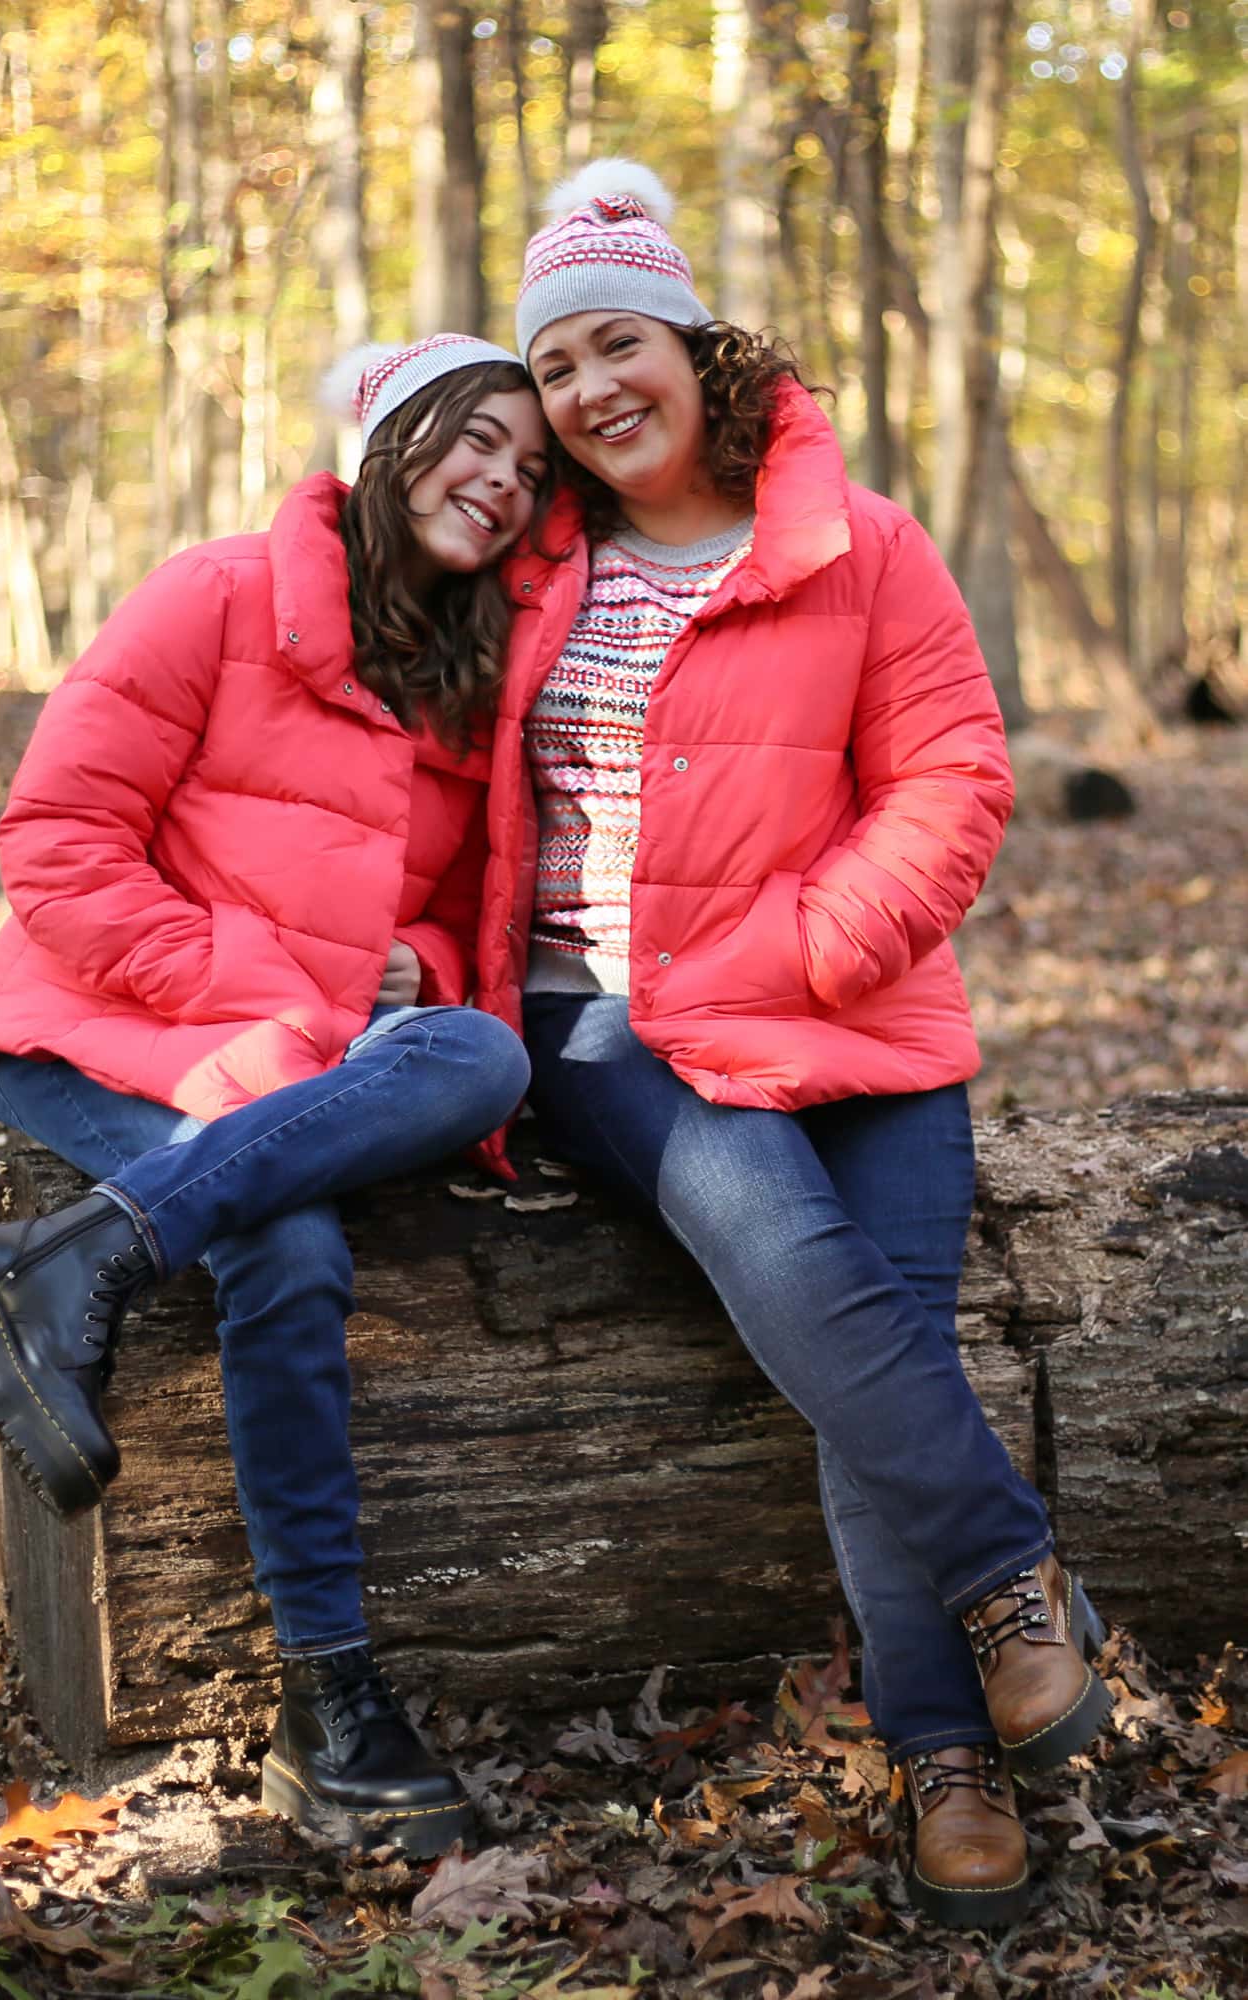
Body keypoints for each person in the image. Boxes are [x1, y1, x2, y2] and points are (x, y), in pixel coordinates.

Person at [470, 162, 1111, 1928]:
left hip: (855, 1006)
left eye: (621, 342)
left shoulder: (860, 540)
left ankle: (946, 1753)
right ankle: (1011, 1593)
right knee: (788, 1254)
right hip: (605, 1019)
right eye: (559, 366)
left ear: (693, 343)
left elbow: (951, 780)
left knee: (870, 1335)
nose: (594, 388)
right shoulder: (528, 564)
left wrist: (815, 950)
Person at [0, 333, 548, 1859]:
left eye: (531, 473)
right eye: (478, 441)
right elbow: (56, 843)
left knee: (481, 1049)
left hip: (295, 1067)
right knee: (289, 1247)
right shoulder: (215, 593)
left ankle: (73, 1263)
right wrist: (259, 990)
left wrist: (410, 960)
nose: (504, 484)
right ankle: (331, 1700)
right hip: (98, 1034)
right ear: (393, 437)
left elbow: (454, 924)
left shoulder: (465, 680)